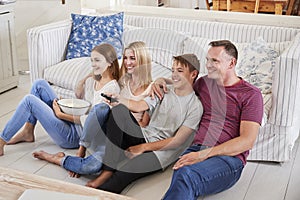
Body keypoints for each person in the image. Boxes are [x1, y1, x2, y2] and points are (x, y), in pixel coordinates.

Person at [154, 40, 263, 199]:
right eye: (207, 60)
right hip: (196, 149)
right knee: (183, 174)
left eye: (215, 61)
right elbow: (182, 85)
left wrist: (203, 155)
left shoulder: (250, 94)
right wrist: (161, 80)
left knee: (186, 176)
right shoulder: (204, 83)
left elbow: (247, 141)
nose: (208, 65)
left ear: (231, 63)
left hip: (228, 159)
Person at [85, 53, 203, 194]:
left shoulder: (195, 106)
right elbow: (140, 105)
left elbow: (178, 141)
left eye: (180, 71)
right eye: (172, 70)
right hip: (144, 135)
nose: (174, 75)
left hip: (161, 153)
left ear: (193, 74)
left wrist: (141, 147)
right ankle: (107, 170)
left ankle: (99, 189)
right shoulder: (163, 90)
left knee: (122, 175)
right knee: (118, 111)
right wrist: (119, 99)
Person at [32, 41, 153, 178]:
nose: (127, 62)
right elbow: (104, 81)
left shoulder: (152, 89)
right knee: (100, 108)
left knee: (93, 166)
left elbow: (144, 124)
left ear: (143, 60)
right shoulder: (122, 83)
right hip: (105, 131)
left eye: (132, 58)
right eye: (125, 58)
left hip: (121, 138)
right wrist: (90, 75)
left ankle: (57, 159)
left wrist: (162, 81)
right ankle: (81, 150)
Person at [0, 43, 120, 156]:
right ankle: (28, 131)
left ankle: (1, 141)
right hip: (73, 122)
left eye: (97, 60)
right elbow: (80, 98)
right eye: (92, 60)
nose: (93, 64)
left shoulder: (111, 89)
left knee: (29, 101)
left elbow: (92, 121)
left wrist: (61, 114)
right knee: (39, 84)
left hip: (75, 136)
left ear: (110, 62)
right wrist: (85, 78)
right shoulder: (96, 80)